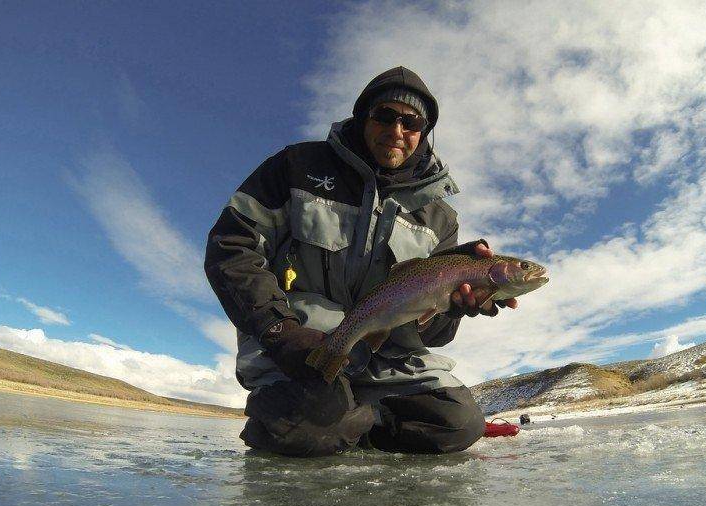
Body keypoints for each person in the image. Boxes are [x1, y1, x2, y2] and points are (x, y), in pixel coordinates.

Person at [205, 66, 517, 457]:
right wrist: (277, 331)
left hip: (388, 363)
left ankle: (358, 420)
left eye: (412, 121)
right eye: (385, 115)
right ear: (362, 116)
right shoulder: (295, 167)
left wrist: (452, 310)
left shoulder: (441, 219)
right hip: (301, 348)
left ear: (424, 131)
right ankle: (329, 417)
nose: (397, 130)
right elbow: (231, 246)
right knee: (302, 429)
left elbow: (431, 334)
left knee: (457, 424)